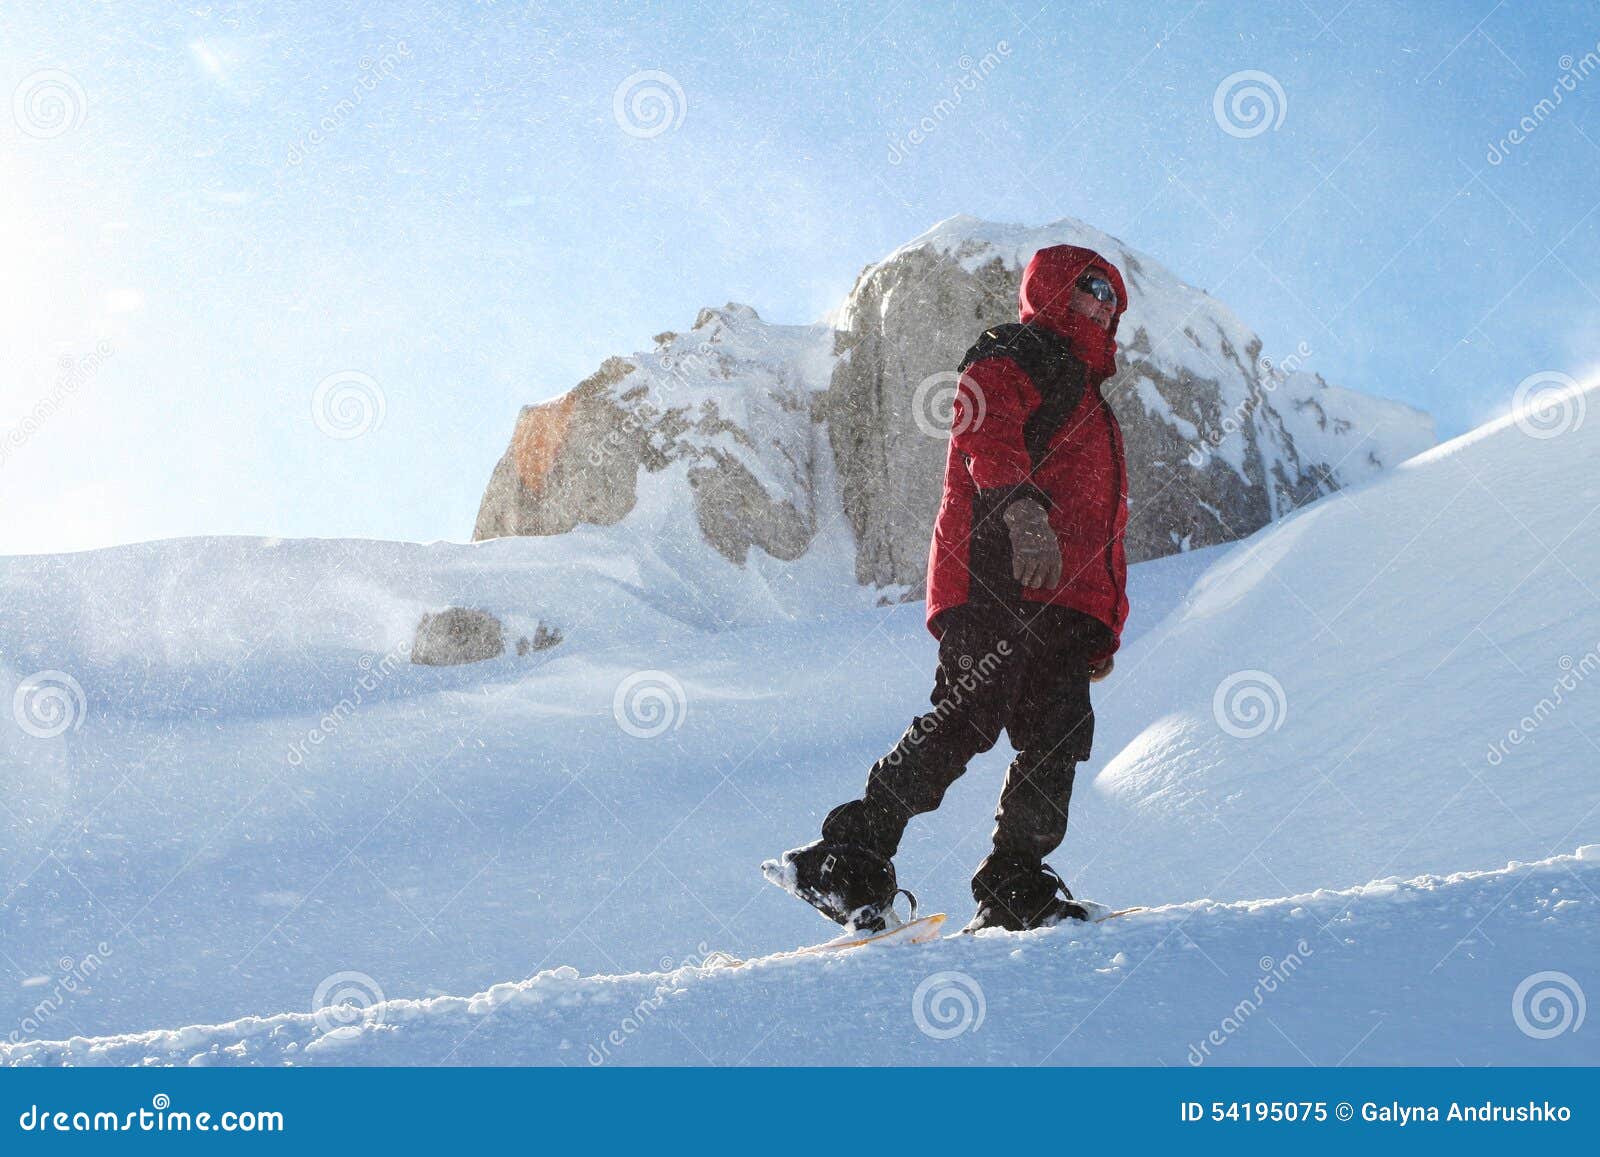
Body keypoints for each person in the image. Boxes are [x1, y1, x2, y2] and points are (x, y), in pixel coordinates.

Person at [766, 243, 1130, 934]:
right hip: (999, 573)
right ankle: (846, 856)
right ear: (1053, 288)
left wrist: (1102, 622)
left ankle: (1015, 884)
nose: (1103, 305)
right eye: (1090, 287)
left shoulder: (1091, 399)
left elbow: (1106, 526)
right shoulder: (1019, 349)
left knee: (1057, 736)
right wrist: (1022, 514)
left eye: (1112, 296)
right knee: (967, 714)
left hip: (1064, 605)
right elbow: (981, 422)